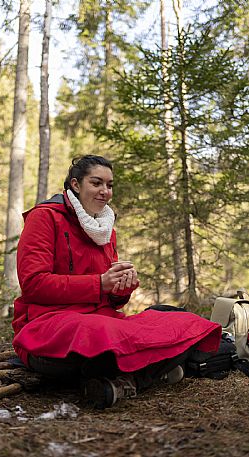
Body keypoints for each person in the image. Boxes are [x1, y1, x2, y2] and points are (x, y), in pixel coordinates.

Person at [12, 155, 221, 409]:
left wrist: (120, 289)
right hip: (48, 328)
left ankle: (127, 382)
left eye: (109, 185)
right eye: (97, 183)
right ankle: (147, 375)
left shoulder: (106, 229)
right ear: (76, 185)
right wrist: (100, 283)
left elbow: (111, 299)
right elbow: (34, 284)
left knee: (185, 321)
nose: (105, 191)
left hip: (102, 322)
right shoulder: (44, 217)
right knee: (100, 333)